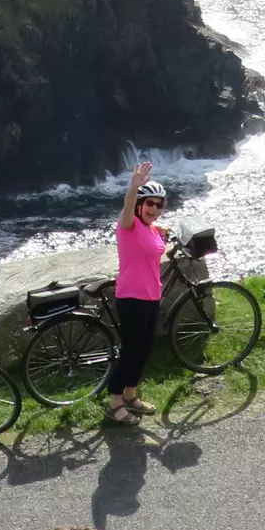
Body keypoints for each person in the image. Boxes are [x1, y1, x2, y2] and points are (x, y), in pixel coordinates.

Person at [106, 162, 168, 426]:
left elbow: (154, 238)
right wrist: (134, 187)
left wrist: (164, 230)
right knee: (130, 351)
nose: (154, 208)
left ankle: (131, 395)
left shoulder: (151, 228)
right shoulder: (128, 226)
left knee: (145, 348)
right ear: (139, 205)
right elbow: (127, 209)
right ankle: (114, 403)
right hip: (131, 297)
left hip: (151, 295)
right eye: (149, 203)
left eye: (158, 204)